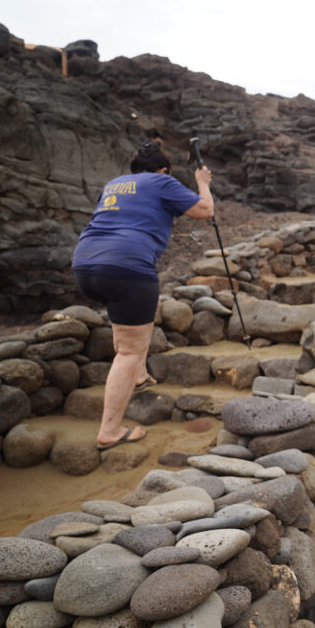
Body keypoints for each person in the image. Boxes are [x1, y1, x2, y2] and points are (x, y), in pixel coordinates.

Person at [72, 141, 214, 450]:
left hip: (85, 264)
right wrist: (202, 183)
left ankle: (137, 375)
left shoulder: (114, 184)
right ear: (163, 170)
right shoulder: (162, 181)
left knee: (131, 319)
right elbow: (205, 211)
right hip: (127, 266)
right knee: (129, 350)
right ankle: (110, 430)